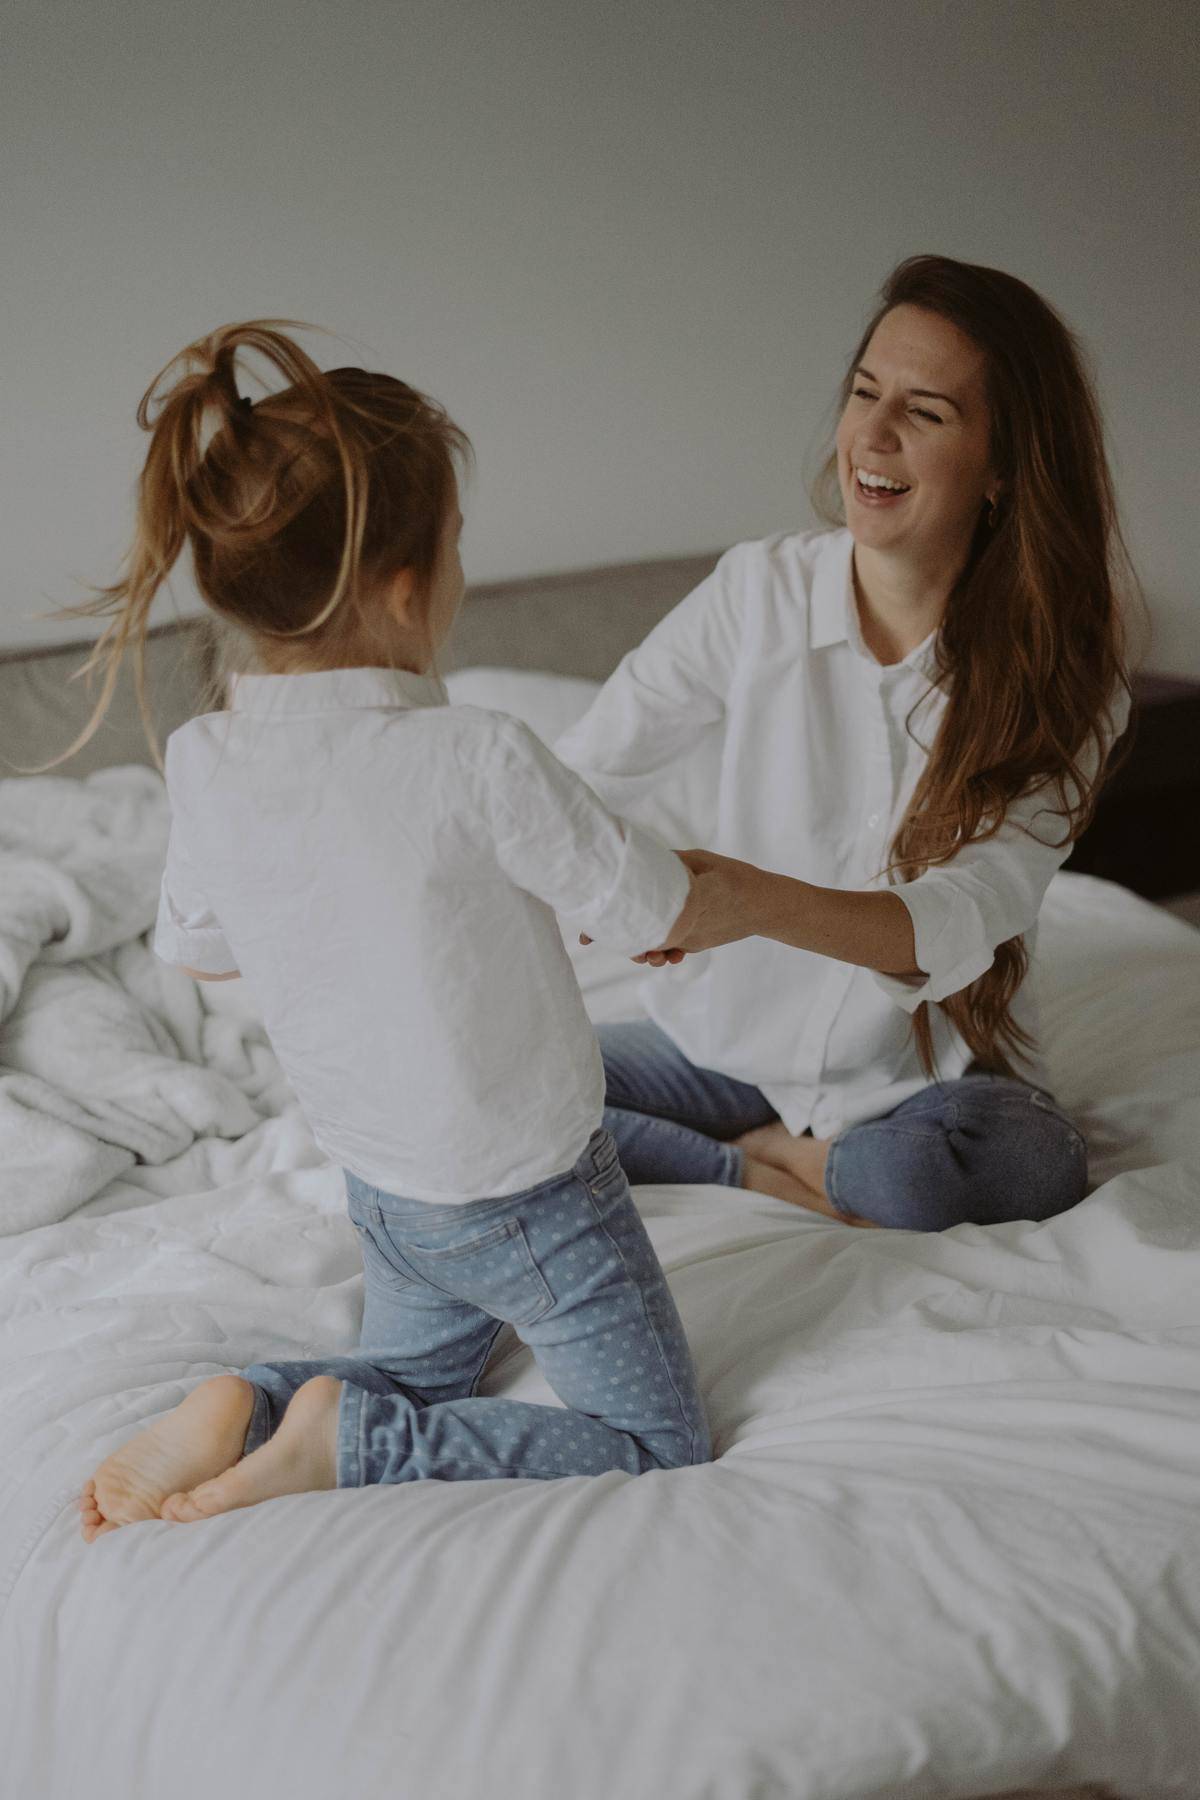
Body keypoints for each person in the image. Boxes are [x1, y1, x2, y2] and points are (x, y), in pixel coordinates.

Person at [74, 322, 712, 1544]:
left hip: (385, 1193)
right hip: (536, 1200)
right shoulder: (476, 753)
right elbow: (648, 909)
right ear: (412, 584)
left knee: (423, 1362)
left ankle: (254, 1402)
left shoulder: (208, 756)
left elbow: (200, 947)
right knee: (655, 1444)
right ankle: (359, 1442)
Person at [556, 254, 1138, 1234]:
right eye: (866, 392)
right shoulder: (757, 594)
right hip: (725, 1049)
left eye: (927, 411)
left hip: (928, 1084)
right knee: (494, 1083)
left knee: (1018, 1164)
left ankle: (796, 1164)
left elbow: (967, 913)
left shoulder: (1064, 681)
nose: (870, 434)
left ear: (1004, 464)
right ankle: (762, 1171)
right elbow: (583, 771)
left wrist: (743, 901)